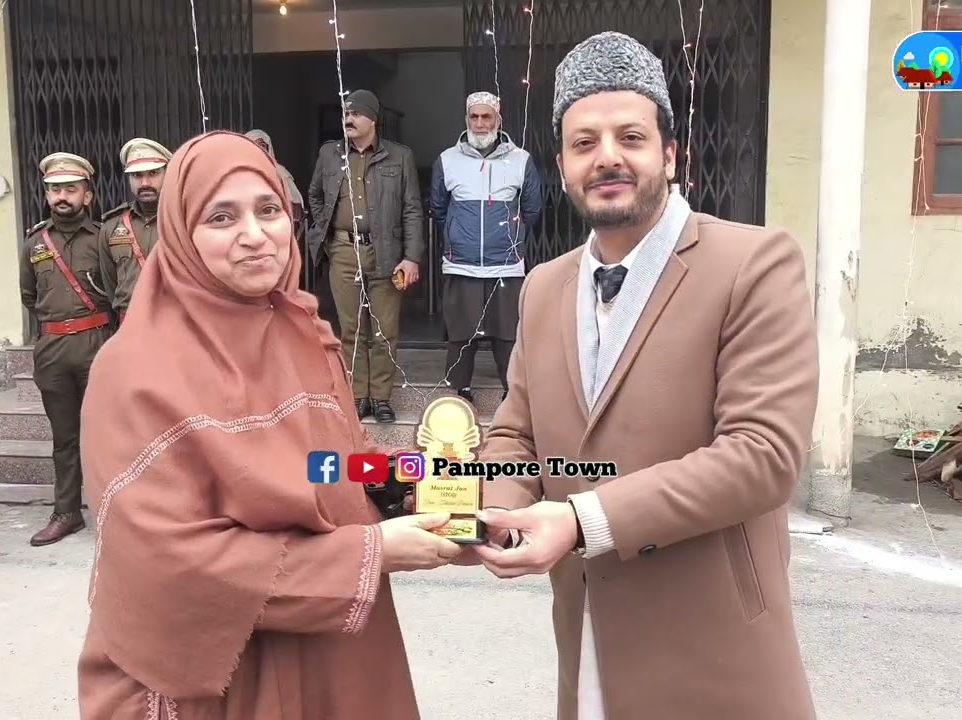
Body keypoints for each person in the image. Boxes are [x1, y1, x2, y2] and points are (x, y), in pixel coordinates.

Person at [466, 32, 820, 720]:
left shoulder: (753, 263)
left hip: (716, 653)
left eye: (630, 136)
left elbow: (762, 456)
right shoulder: (543, 286)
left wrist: (579, 519)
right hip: (591, 642)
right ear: (564, 167)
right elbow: (515, 431)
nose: (608, 158)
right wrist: (499, 514)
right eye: (583, 142)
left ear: (669, 152)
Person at [77, 130, 460, 719]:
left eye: (269, 210)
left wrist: (412, 479)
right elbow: (163, 556)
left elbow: (330, 461)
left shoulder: (306, 333)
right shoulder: (134, 371)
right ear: (180, 234)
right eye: (221, 217)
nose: (255, 237)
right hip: (223, 671)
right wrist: (369, 554)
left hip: (333, 652)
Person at [306, 89, 424, 423]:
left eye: (356, 113)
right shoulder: (330, 154)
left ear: (373, 119)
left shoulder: (399, 157)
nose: (348, 119)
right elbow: (315, 195)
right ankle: (358, 396)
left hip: (386, 252)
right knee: (351, 328)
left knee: (384, 329)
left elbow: (413, 210)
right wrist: (328, 236)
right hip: (343, 251)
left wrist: (412, 256)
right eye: (346, 113)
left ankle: (381, 397)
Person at [19, 152, 111, 547]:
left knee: (107, 432)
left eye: (70, 189)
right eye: (54, 189)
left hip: (97, 345)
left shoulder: (104, 237)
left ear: (87, 195)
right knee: (65, 437)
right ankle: (67, 511)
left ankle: (114, 511)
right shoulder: (35, 242)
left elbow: (115, 289)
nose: (61, 196)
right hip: (53, 347)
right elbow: (28, 295)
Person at [430, 91, 542, 401]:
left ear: (498, 120)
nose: (480, 124)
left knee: (507, 333)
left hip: (505, 264)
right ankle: (460, 392)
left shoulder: (520, 160)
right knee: (461, 332)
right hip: (461, 262)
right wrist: (458, 236)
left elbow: (532, 209)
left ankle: (513, 393)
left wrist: (509, 237)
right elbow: (439, 209)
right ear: (466, 120)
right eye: (474, 117)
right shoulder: (447, 160)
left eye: (486, 117)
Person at [97, 138, 171, 323]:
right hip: (129, 324)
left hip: (175, 323)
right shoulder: (111, 227)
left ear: (168, 173)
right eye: (137, 175)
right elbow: (109, 283)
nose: (145, 182)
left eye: (153, 173)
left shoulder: (184, 220)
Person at [246, 129, 306, 239]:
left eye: (262, 146)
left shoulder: (280, 173)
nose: (259, 151)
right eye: (254, 146)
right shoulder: (237, 176)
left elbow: (296, 209)